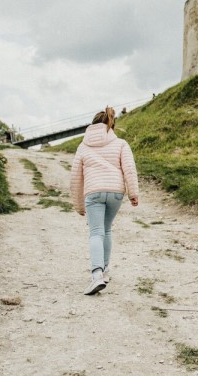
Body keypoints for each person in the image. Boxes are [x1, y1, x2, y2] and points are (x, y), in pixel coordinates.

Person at [70, 106, 140, 295]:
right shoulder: (121, 144)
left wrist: (78, 204)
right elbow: (129, 169)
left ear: (92, 126)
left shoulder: (83, 146)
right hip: (116, 192)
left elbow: (76, 177)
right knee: (106, 229)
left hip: (93, 192)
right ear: (111, 125)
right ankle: (105, 270)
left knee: (96, 232)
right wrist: (133, 193)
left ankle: (96, 275)